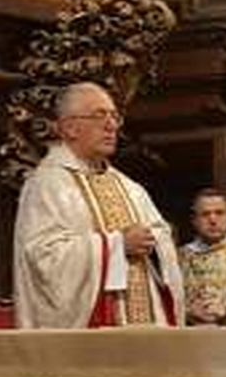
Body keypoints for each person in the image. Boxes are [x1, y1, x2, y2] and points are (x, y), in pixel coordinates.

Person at [12, 82, 183, 328]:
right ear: (69, 128)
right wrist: (116, 246)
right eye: (99, 115)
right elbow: (41, 259)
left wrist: (155, 242)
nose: (112, 125)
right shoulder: (48, 185)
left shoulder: (131, 188)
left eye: (115, 116)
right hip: (91, 339)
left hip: (147, 329)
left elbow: (162, 240)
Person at [179, 187, 226, 323]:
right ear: (194, 220)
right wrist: (186, 311)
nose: (213, 220)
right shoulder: (176, 258)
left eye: (219, 213)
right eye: (205, 214)